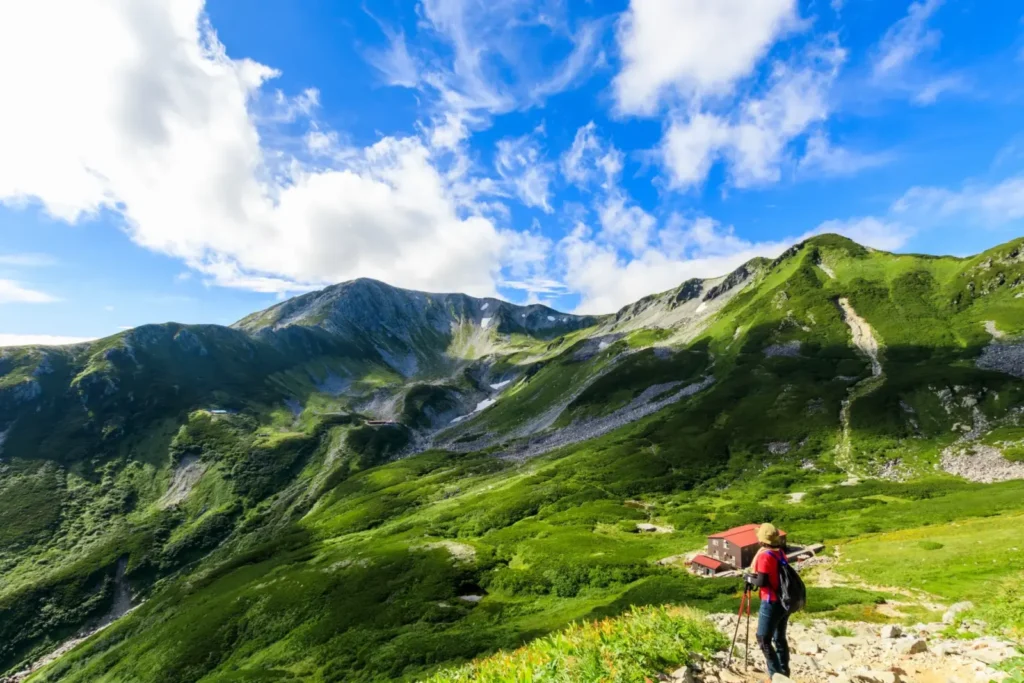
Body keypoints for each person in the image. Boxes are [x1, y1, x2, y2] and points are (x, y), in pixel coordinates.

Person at [744, 523, 790, 681]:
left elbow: (762, 581)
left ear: (762, 540)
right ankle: (784, 672)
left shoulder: (764, 555)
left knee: (763, 639)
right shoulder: (781, 553)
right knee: (779, 638)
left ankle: (775, 675)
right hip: (784, 601)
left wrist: (748, 578)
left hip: (771, 601)